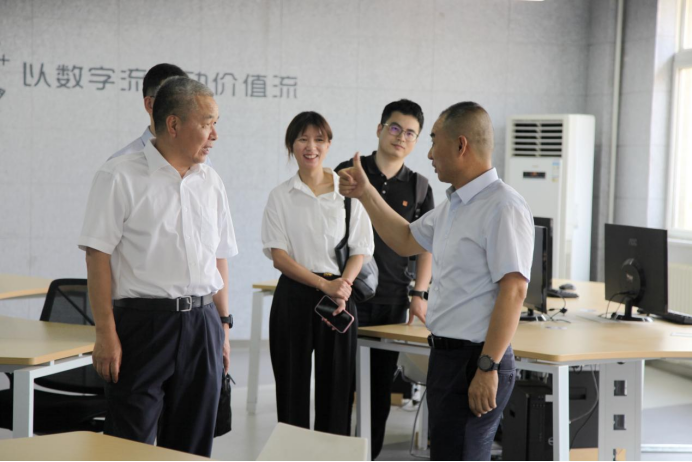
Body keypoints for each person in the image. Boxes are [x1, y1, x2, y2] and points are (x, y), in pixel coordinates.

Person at [339, 102, 534, 461]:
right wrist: (366, 192)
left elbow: (514, 289)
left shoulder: (503, 206)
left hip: (477, 360)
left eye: (433, 141)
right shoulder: (454, 206)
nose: (428, 153)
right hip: (447, 358)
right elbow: (404, 239)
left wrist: (487, 367)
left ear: (461, 145)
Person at [79, 77, 236, 457]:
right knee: (128, 445)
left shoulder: (211, 181)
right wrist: (105, 333)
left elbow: (219, 257)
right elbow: (97, 257)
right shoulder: (119, 175)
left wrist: (223, 327)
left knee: (192, 445)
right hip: (143, 326)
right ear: (174, 124)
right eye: (208, 124)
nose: (215, 135)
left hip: (202, 324)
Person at [261, 111, 374, 436]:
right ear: (291, 145)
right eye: (303, 139)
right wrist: (325, 284)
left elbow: (360, 248)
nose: (311, 147)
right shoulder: (280, 195)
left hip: (339, 298)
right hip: (295, 295)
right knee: (291, 385)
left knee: (337, 388)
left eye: (319, 140)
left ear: (329, 145)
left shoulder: (348, 191)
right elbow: (279, 256)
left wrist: (342, 287)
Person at [336, 99, 434, 460]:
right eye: (394, 128)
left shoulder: (420, 186)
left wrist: (419, 293)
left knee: (379, 388)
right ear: (379, 129)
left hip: (392, 299)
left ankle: (369, 455)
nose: (401, 137)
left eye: (410, 133)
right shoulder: (348, 172)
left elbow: (426, 247)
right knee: (338, 383)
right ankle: (334, 452)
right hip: (346, 294)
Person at [108, 63, 210, 167]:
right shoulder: (119, 164)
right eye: (173, 100)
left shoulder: (201, 160)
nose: (182, 108)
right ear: (150, 104)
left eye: (187, 101)